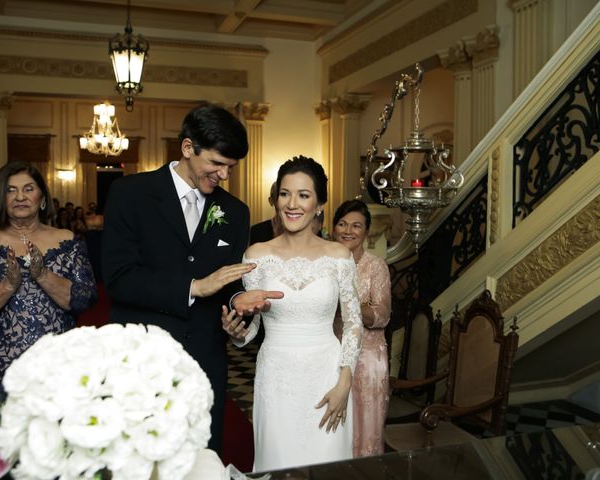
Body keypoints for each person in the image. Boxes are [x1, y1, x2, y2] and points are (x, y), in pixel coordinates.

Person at [101, 103, 282, 455]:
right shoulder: (130, 195)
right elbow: (120, 279)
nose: (224, 175)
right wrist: (193, 288)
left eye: (231, 167)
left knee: (200, 458)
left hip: (204, 360)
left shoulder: (235, 212)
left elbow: (227, 283)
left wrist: (237, 305)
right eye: (216, 163)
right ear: (187, 148)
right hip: (141, 358)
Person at [222, 156, 363, 471]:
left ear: (320, 203)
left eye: (303, 195)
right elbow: (255, 324)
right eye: (285, 193)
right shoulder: (257, 255)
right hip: (276, 375)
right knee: (278, 465)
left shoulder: (339, 256)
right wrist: (238, 333)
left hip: (328, 376)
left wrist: (345, 383)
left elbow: (353, 324)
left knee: (327, 466)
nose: (292, 204)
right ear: (275, 199)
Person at [0, 161, 97, 405]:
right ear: (1, 199)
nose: (20, 196)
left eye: (28, 188)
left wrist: (44, 275)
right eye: (11, 190)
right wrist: (6, 286)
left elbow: (85, 300)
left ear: (42, 197)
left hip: (56, 369)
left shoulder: (68, 241)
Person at [332, 199, 391, 457]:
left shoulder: (376, 266)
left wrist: (349, 300)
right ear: (333, 228)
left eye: (356, 225)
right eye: (342, 224)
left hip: (368, 359)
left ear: (366, 232)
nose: (348, 230)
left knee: (365, 431)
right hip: (333, 354)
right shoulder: (327, 263)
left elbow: (381, 315)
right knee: (335, 427)